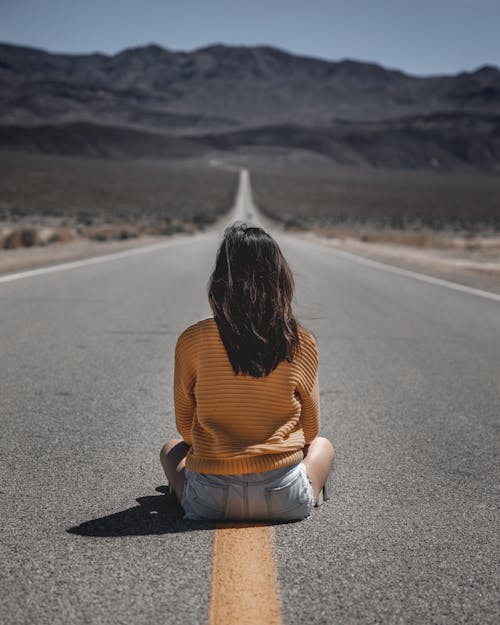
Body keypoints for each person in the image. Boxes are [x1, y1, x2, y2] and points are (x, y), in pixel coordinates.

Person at [160, 221, 335, 522]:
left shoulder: (192, 339)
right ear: (280, 279)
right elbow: (311, 429)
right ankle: (311, 493)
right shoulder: (300, 341)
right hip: (283, 497)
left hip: (210, 500)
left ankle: (183, 495)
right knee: (323, 446)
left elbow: (185, 427)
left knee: (170, 449)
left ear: (219, 281)